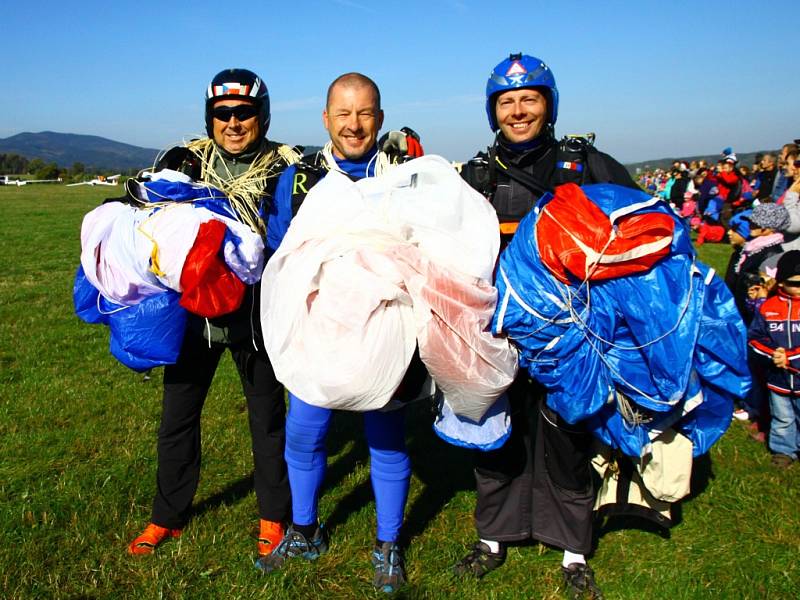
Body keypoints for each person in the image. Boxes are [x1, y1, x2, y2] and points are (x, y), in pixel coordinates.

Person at [456, 52, 638, 599]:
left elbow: (638, 235)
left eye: (528, 99)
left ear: (548, 105)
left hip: (574, 338)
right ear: (494, 112)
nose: (518, 111)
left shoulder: (590, 166)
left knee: (567, 438)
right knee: (497, 437)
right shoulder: (476, 177)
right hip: (501, 335)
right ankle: (494, 537)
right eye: (507, 102)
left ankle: (574, 550)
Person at [256, 72, 424, 593]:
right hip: (319, 328)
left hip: (384, 328)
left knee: (386, 435)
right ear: (325, 119)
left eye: (365, 112)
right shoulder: (298, 180)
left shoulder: (404, 175)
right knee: (305, 431)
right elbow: (282, 255)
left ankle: (388, 542)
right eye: (343, 114)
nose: (354, 125)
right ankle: (305, 529)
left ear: (380, 116)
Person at [127, 68, 298, 561]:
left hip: (254, 315)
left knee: (267, 419)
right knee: (177, 417)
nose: (233, 123)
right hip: (192, 316)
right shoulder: (185, 160)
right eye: (222, 114)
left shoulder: (286, 167)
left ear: (261, 116)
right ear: (210, 118)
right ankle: (167, 516)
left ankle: (273, 515)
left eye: (243, 113)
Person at [748, 250, 800, 468]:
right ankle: (784, 450)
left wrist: (789, 355)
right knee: (783, 418)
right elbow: (754, 338)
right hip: (777, 379)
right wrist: (773, 354)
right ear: (780, 283)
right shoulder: (769, 308)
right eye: (794, 283)